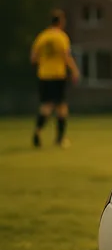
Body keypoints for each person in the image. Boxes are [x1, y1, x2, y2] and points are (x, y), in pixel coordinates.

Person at [30, 10, 80, 148]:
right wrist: (74, 70)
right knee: (61, 107)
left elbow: (33, 58)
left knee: (46, 106)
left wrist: (45, 61)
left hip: (44, 75)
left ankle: (37, 131)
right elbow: (66, 56)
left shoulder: (42, 36)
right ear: (61, 22)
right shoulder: (61, 37)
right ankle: (60, 139)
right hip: (58, 75)